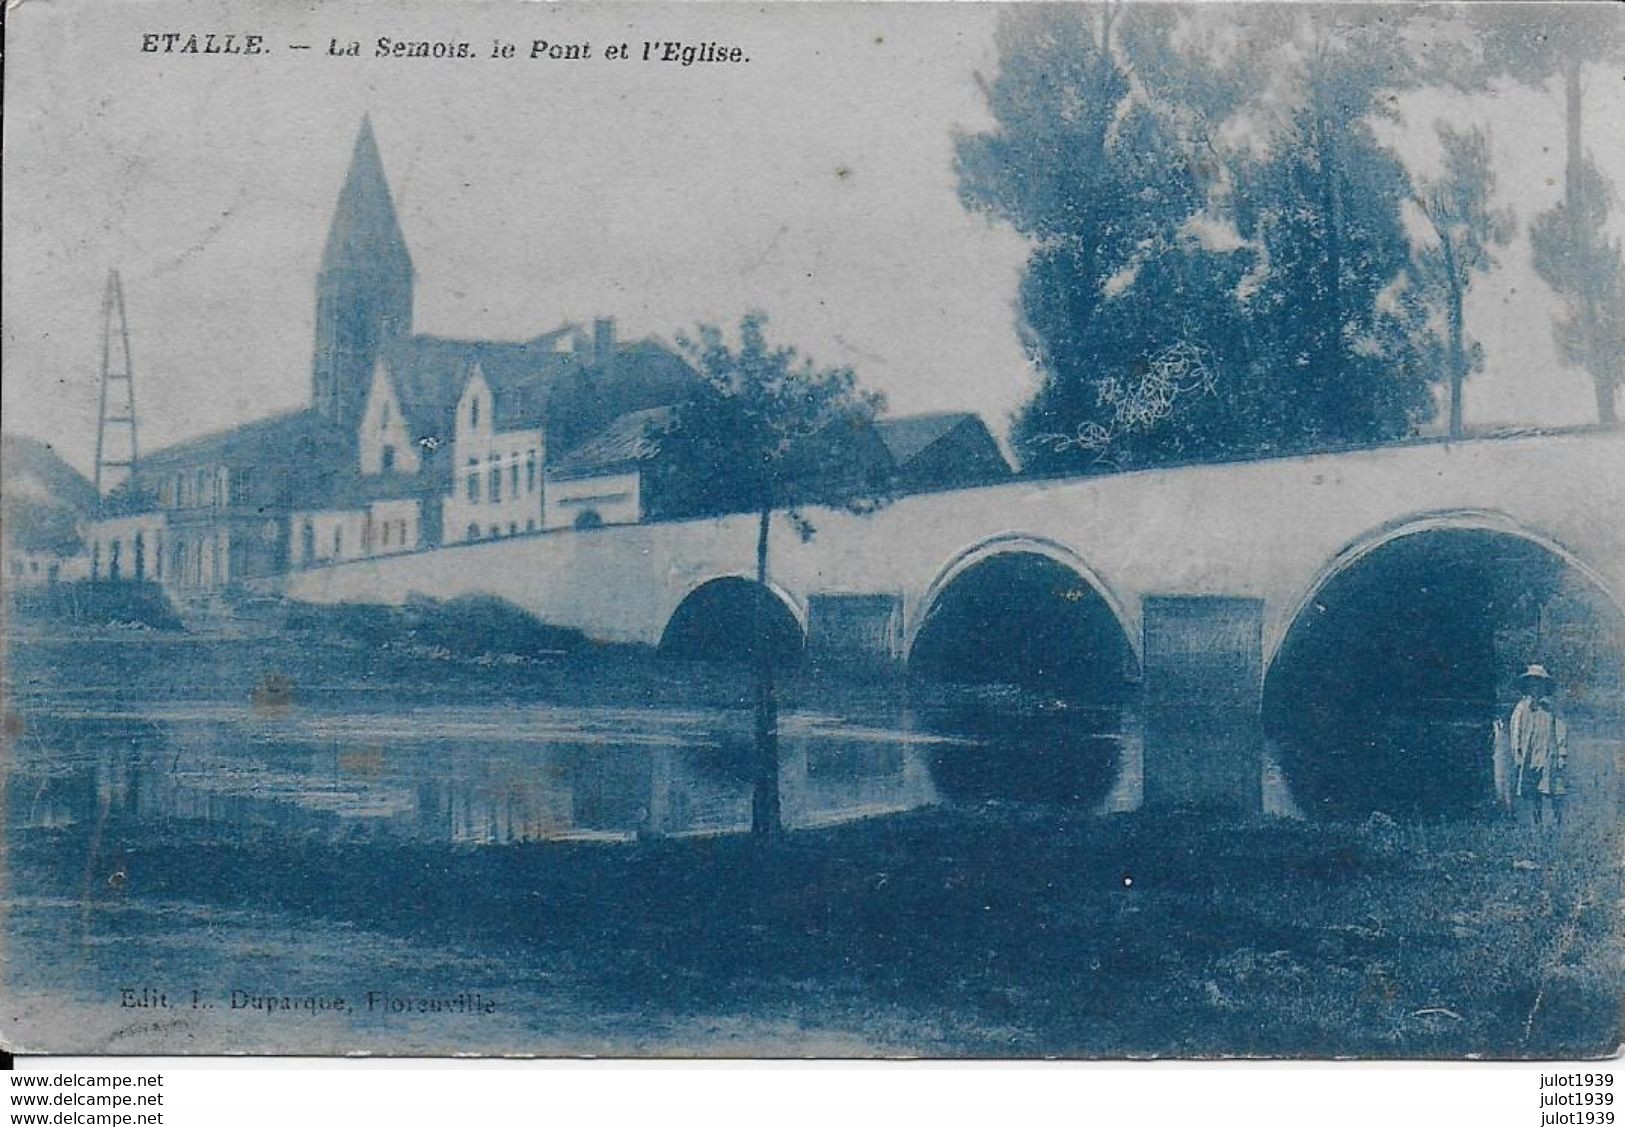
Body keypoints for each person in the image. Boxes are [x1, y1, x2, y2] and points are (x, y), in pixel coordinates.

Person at [1509, 664, 1568, 827]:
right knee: (1533, 790)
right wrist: (1518, 755)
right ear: (1527, 686)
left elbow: (1561, 730)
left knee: (1554, 788)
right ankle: (1537, 822)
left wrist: (1562, 754)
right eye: (1532, 683)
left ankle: (1558, 822)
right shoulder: (1521, 708)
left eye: (1539, 683)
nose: (1536, 687)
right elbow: (1516, 733)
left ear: (1545, 686)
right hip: (1529, 755)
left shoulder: (1552, 708)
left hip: (1549, 754)